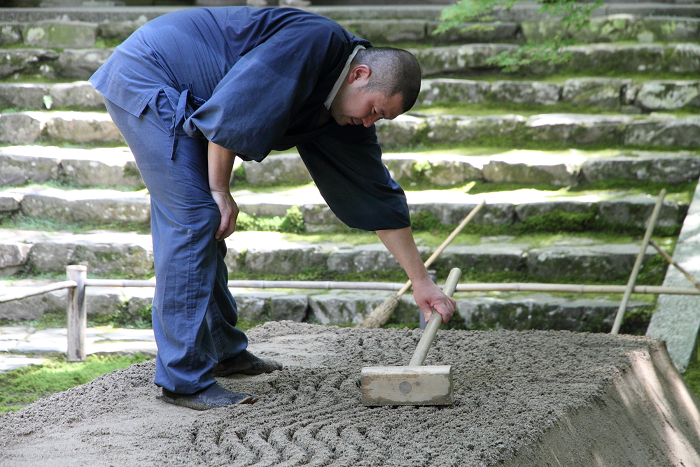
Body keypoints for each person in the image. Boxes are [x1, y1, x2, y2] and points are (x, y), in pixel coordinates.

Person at [89, 6, 456, 411]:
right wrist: (219, 188)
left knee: (202, 221)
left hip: (191, 95)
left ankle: (224, 352)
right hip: (152, 74)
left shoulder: (344, 112)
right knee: (196, 218)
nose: (370, 122)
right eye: (374, 110)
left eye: (379, 119)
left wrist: (422, 283)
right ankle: (183, 379)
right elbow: (234, 107)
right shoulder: (315, 43)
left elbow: (377, 196)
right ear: (360, 75)